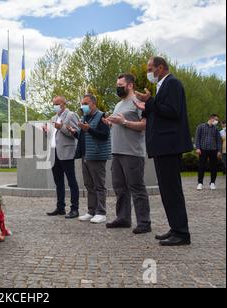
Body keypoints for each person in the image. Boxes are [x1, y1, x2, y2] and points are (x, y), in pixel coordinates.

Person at [135, 57, 193, 246]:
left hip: (169, 145)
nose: (149, 72)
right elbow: (160, 112)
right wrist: (146, 106)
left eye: (151, 68)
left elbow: (173, 111)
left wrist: (150, 101)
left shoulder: (172, 83)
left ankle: (182, 233)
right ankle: (175, 227)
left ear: (161, 68)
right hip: (162, 146)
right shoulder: (162, 85)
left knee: (172, 190)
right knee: (167, 191)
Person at [106, 73, 152, 234]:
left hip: (132, 153)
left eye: (121, 85)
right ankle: (123, 218)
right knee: (120, 187)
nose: (118, 88)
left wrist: (124, 122)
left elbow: (145, 125)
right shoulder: (119, 105)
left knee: (137, 188)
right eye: (117, 85)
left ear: (130, 85)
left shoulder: (138, 103)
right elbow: (119, 123)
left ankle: (144, 222)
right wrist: (111, 123)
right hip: (117, 152)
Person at [67, 94, 111, 224]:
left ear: (93, 103)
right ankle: (91, 211)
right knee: (89, 185)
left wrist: (89, 129)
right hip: (85, 155)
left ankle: (101, 212)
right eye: (82, 104)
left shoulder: (101, 116)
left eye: (85, 103)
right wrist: (74, 132)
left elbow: (104, 135)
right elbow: (83, 137)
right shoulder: (85, 117)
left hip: (96, 156)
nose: (83, 106)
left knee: (99, 185)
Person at [44, 96, 80, 219]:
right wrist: (46, 131)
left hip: (67, 152)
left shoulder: (71, 115)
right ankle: (60, 208)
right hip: (54, 153)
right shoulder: (54, 118)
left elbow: (76, 134)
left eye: (57, 104)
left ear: (64, 104)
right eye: (53, 104)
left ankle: (75, 209)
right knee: (58, 182)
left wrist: (62, 128)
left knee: (71, 181)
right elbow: (53, 136)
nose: (55, 106)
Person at [195, 114, 223, 190]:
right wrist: (197, 148)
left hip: (213, 150)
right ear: (211, 118)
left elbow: (219, 141)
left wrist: (219, 151)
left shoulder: (216, 129)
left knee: (213, 167)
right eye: (216, 119)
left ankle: (212, 183)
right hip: (203, 150)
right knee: (201, 166)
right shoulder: (201, 127)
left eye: (217, 120)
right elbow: (197, 137)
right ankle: (200, 183)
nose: (216, 121)